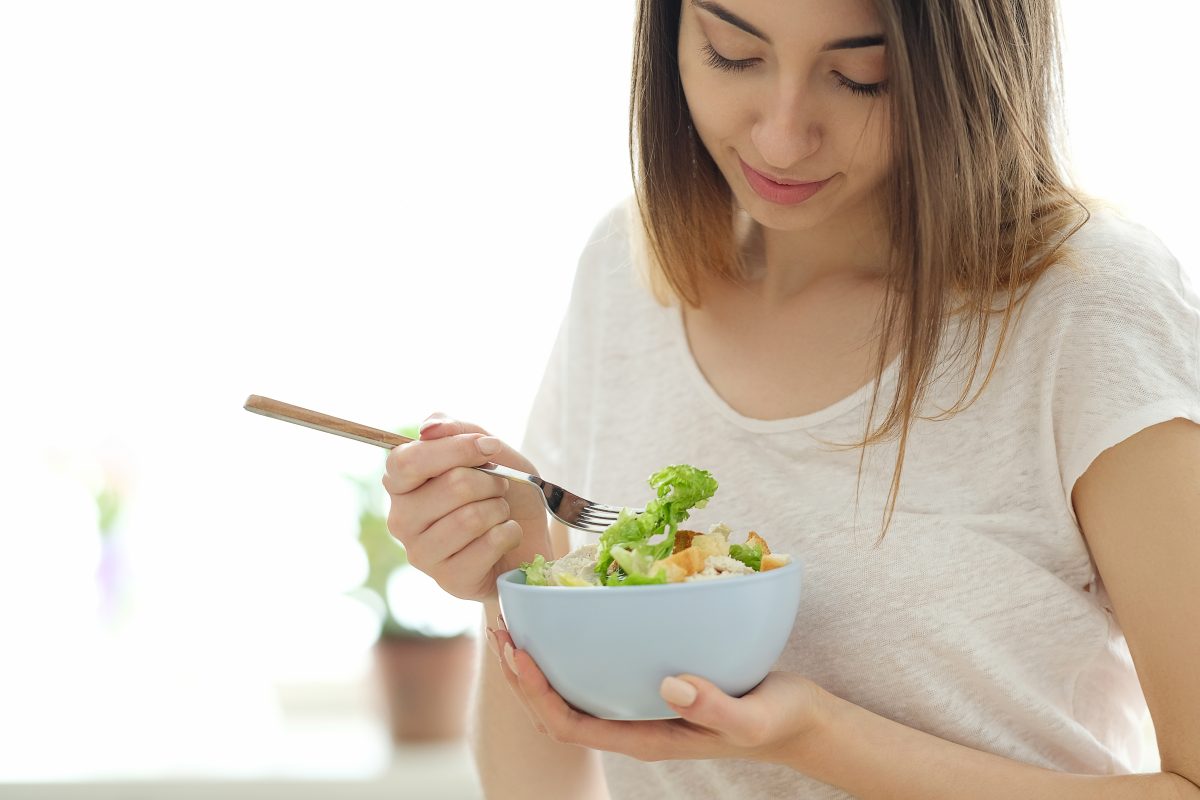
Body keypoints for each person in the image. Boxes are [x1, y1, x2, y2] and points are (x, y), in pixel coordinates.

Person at [382, 0, 1200, 797]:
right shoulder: (628, 272)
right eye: (732, 53)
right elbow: (542, 784)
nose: (781, 136)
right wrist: (523, 583)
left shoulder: (1087, 309)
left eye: (861, 76)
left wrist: (816, 735)